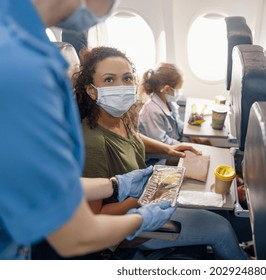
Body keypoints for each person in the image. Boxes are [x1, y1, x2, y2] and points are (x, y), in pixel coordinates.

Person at [0, 0, 175, 260]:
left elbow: (48, 185)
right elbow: (74, 238)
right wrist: (141, 216)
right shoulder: (21, 66)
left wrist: (115, 185)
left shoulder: (18, 36)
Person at [73, 46, 249, 260]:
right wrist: (145, 194)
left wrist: (169, 148)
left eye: (127, 78)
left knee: (213, 202)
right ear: (91, 90)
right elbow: (95, 217)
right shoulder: (92, 144)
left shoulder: (117, 117)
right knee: (220, 228)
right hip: (131, 224)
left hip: (148, 196)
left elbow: (133, 137)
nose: (121, 86)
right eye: (109, 80)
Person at [138, 63, 211, 149]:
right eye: (178, 89)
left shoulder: (170, 102)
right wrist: (184, 146)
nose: (180, 92)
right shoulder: (151, 111)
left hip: (175, 142)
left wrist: (188, 135)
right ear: (167, 89)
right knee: (202, 150)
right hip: (161, 153)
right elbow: (161, 141)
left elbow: (177, 123)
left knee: (206, 142)